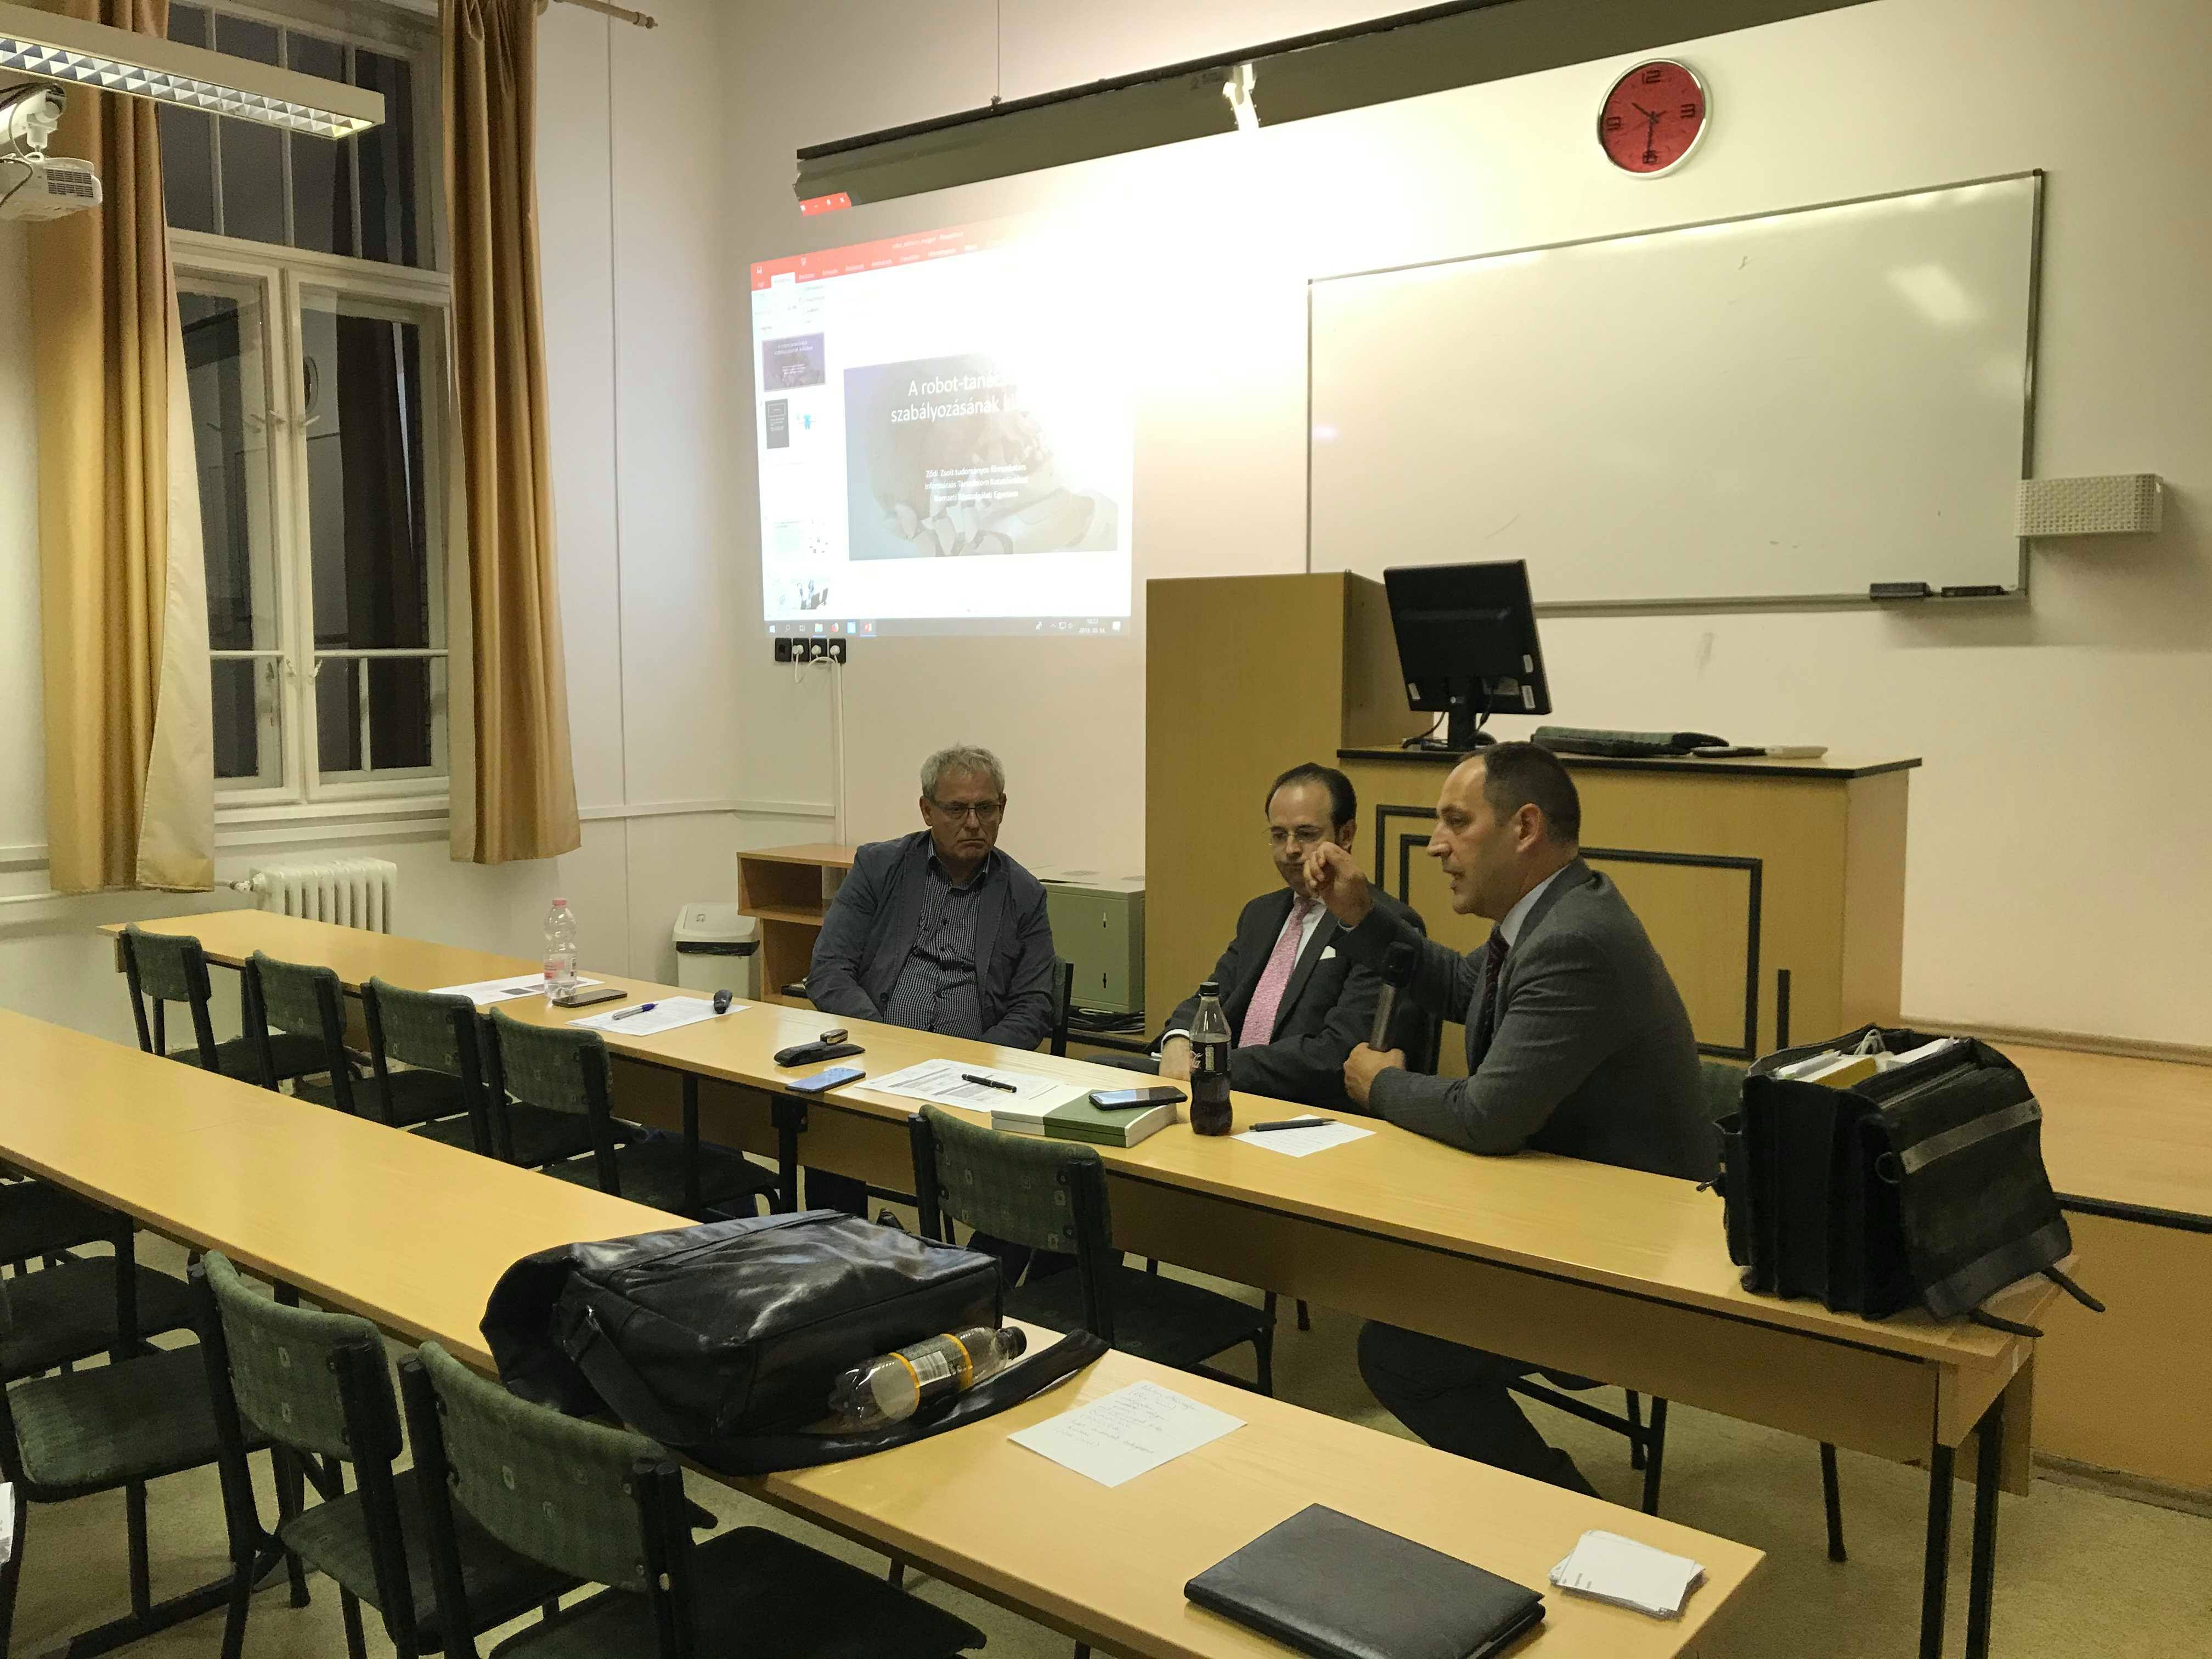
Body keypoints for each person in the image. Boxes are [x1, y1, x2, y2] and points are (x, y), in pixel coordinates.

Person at [1302, 740, 1706, 1496]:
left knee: (1401, 1355)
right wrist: (1361, 915)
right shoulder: (1550, 912)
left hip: (1622, 1262)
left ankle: (1567, 1509)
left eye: (1457, 822)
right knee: (1401, 1298)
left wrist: (1381, 1086)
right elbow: (1461, 987)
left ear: (1524, 828)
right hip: (1560, 1216)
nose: (1436, 845)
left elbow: (1487, 1116)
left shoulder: (1573, 940)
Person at [805, 744, 1056, 1216]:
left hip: (973, 1077)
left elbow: (1035, 1004)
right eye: (957, 810)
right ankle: (840, 1242)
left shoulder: (1024, 894)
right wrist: (882, 1039)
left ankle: (975, 1255)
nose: (974, 823)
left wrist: (975, 1063)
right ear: (927, 811)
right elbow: (829, 969)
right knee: (825, 1128)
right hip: (875, 1058)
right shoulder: (879, 867)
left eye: (986, 808)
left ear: (1003, 808)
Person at [1142, 764, 1424, 1114]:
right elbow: (1210, 996)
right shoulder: (1260, 914)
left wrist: (1213, 1063)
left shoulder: (1382, 926)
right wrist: (1179, 1039)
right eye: (1278, 835)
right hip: (1223, 1094)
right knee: (1101, 1071)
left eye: (1306, 834)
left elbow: (1338, 1054)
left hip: (1308, 1112)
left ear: (1346, 835)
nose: (1290, 849)